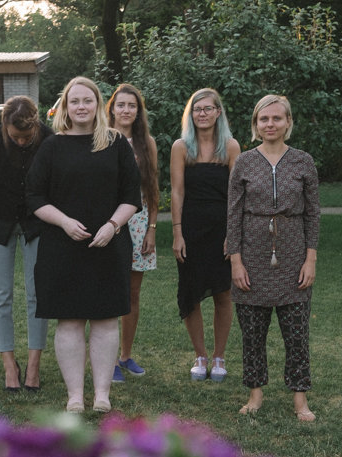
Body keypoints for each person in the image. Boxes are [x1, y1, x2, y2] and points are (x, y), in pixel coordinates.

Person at [26, 76, 141, 413]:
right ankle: (75, 395)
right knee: (70, 321)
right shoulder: (51, 146)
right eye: (74, 101)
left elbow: (131, 196)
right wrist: (63, 221)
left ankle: (102, 394)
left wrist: (112, 225)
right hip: (62, 247)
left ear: (97, 105)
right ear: (65, 106)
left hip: (109, 244)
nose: (81, 107)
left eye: (87, 101)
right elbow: (34, 196)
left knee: (106, 319)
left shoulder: (116, 143)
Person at [228, 95, 319, 421]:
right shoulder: (244, 163)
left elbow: (313, 214)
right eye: (264, 119)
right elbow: (233, 215)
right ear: (256, 124)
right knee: (252, 333)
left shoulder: (303, 162)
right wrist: (235, 260)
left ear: (288, 123)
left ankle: (300, 399)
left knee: (297, 334)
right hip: (251, 255)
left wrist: (310, 260)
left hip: (294, 255)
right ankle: (255, 394)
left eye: (276, 119)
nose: (270, 124)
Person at [0, 96, 53, 392]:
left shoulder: (48, 139)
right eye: (15, 136)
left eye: (26, 136)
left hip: (37, 224)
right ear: (4, 125)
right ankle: (10, 364)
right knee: (0, 294)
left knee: (37, 294)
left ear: (35, 125)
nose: (21, 141)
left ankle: (33, 364)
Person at [170, 88, 239, 382]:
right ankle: (200, 356)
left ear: (218, 112)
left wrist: (233, 234)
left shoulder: (232, 147)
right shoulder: (181, 147)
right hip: (191, 229)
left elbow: (237, 196)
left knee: (224, 293)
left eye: (208, 108)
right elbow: (176, 191)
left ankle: (219, 357)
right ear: (191, 114)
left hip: (223, 228)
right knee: (191, 294)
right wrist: (177, 233)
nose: (202, 113)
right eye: (197, 109)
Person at [106, 84, 159, 384]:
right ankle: (109, 359)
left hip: (139, 224)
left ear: (138, 111)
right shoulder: (101, 138)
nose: (126, 110)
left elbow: (152, 188)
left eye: (132, 106)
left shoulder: (145, 142)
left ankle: (126, 355)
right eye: (121, 105)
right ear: (112, 108)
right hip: (109, 222)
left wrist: (152, 228)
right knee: (111, 291)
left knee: (132, 294)